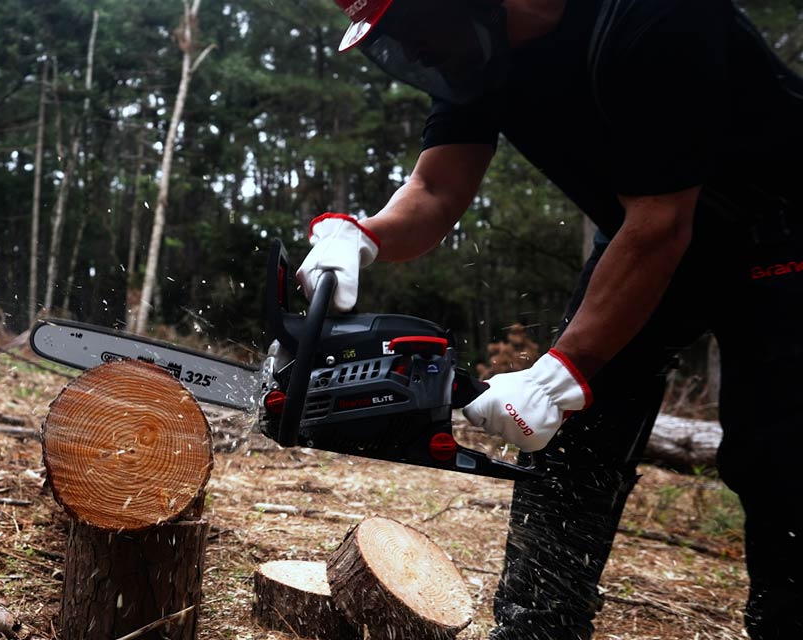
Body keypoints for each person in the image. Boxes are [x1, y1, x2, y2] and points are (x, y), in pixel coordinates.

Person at [297, 0, 803, 637]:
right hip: (642, 231)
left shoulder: (652, 17)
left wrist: (560, 372)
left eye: (416, 29)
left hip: (777, 226)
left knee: (781, 452)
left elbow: (662, 224)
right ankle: (538, 626)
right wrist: (360, 236)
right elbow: (435, 191)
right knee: (570, 438)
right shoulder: (474, 56)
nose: (419, 52)